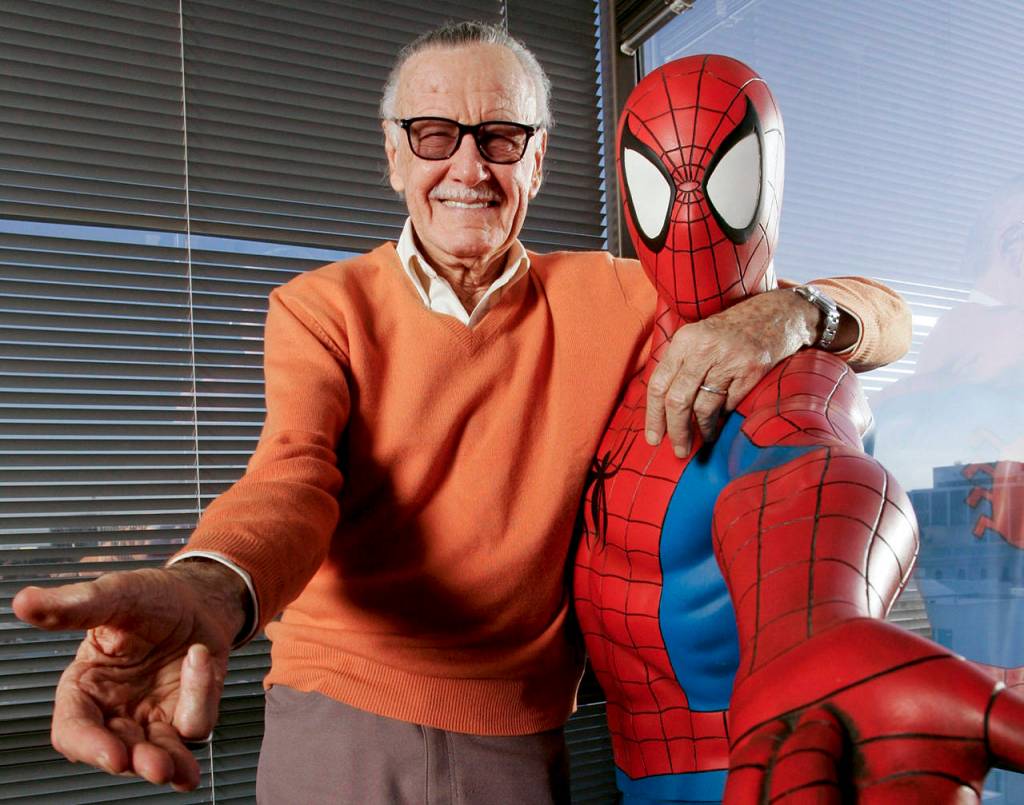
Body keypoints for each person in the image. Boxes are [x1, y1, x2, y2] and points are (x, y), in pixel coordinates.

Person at [12, 22, 910, 803]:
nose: (468, 168)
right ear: (395, 153)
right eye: (436, 135)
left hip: (518, 739)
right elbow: (292, 479)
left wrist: (794, 314)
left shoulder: (624, 297)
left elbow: (890, 321)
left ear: (541, 155)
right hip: (337, 722)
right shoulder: (320, 307)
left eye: (502, 137)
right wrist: (203, 587)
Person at [575, 54, 1024, 804]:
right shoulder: (605, 333)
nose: (688, 217)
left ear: (767, 182)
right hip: (630, 771)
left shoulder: (795, 372)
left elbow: (813, 476)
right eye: (661, 183)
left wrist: (814, 625)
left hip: (767, 763)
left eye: (719, 180)